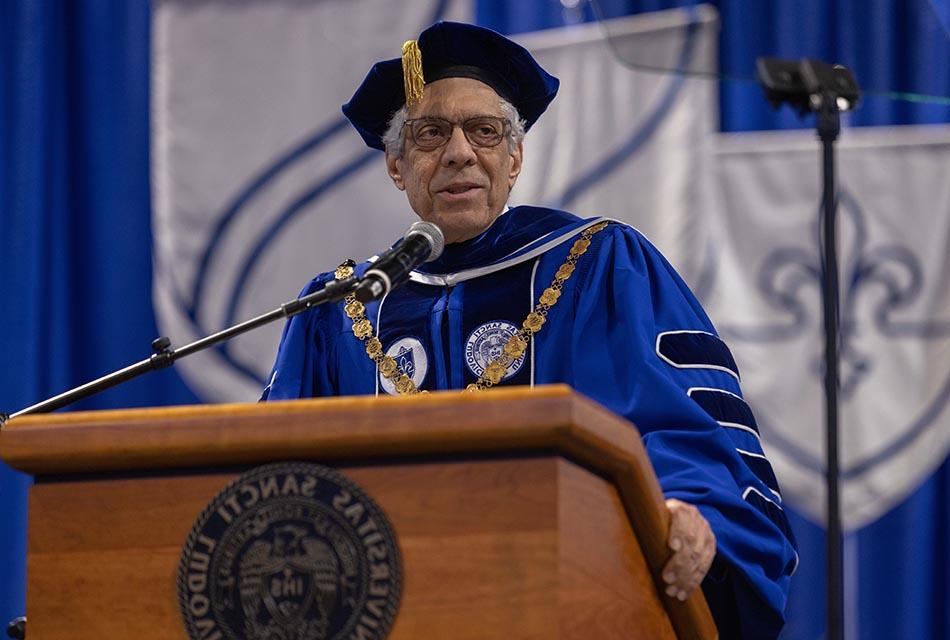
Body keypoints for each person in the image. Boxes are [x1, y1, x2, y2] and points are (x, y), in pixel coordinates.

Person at [262, 21, 797, 638]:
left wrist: (693, 514)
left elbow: (682, 425)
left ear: (513, 158)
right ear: (396, 166)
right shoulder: (341, 310)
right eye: (430, 134)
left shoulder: (597, 266)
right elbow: (277, 482)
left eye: (484, 132)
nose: (459, 152)